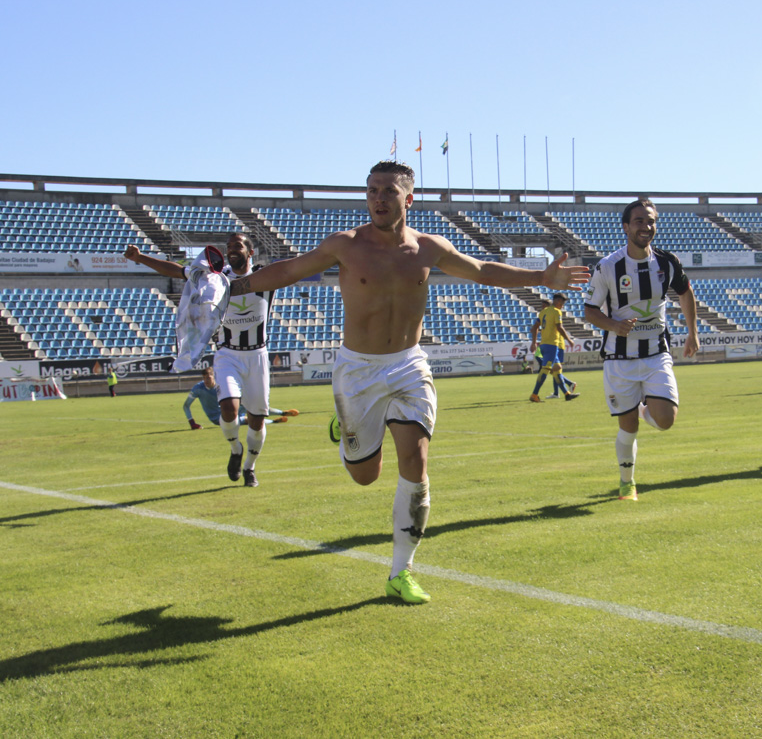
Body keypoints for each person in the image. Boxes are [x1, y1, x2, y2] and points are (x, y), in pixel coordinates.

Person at [225, 160, 588, 604]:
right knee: (364, 476)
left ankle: (401, 571)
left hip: (409, 365)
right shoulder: (345, 243)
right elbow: (287, 271)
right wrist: (234, 289)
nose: (379, 198)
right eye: (372, 190)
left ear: (408, 198)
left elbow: (482, 270)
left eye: (389, 191)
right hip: (357, 369)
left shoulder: (429, 248)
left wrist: (539, 277)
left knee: (415, 461)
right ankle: (346, 435)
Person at [125, 232, 275, 488]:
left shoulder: (266, 276)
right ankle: (235, 449)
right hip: (227, 353)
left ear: (250, 252)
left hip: (257, 355)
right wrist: (141, 258)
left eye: (237, 245)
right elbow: (177, 271)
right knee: (229, 407)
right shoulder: (215, 277)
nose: (231, 250)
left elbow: (297, 269)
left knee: (257, 419)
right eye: (228, 246)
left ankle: (250, 467)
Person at [583, 198, 700, 501]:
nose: (646, 227)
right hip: (618, 359)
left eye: (651, 221)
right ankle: (627, 483)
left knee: (666, 420)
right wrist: (613, 325)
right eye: (639, 221)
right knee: (628, 427)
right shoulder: (609, 266)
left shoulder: (666, 262)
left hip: (655, 354)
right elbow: (590, 311)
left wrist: (692, 333)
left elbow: (686, 293)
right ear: (626, 227)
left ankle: (645, 407)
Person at [184, 367, 298, 429]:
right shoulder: (198, 389)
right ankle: (274, 422)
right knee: (249, 420)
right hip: (218, 418)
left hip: (230, 409)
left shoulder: (221, 383)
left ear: (214, 376)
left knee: (255, 406)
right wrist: (192, 422)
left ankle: (282, 412)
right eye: (204, 378)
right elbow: (186, 406)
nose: (206, 381)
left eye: (208, 377)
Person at [529, 293, 579, 401]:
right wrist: (569, 340)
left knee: (557, 369)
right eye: (562, 302)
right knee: (545, 370)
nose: (563, 305)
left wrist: (533, 343)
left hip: (544, 344)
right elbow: (559, 327)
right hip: (552, 345)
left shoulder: (543, 312)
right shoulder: (556, 311)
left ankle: (567, 394)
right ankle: (534, 394)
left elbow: (534, 328)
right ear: (558, 301)